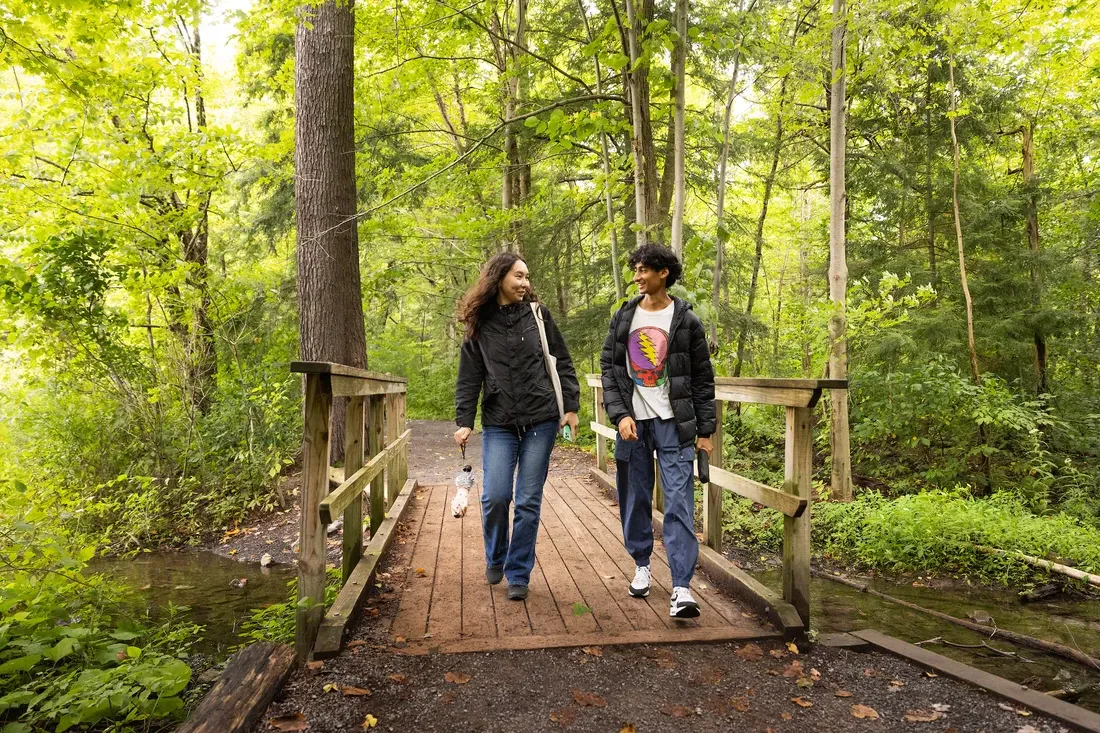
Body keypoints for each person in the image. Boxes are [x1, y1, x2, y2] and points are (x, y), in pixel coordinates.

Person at [454, 252, 581, 601]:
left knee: (527, 500)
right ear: (499, 279)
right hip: (499, 421)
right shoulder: (480, 324)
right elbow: (469, 378)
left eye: (527, 277)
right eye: (518, 276)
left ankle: (518, 572)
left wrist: (570, 406)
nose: (525, 283)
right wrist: (464, 421)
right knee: (495, 496)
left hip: (541, 418)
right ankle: (495, 555)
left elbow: (563, 361)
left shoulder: (538, 316)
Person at [600, 244, 716, 618]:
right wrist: (619, 415)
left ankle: (681, 588)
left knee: (679, 504)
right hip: (633, 424)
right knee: (635, 498)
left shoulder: (687, 321)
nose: (636, 276)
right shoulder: (624, 317)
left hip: (674, 424)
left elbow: (702, 379)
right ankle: (641, 564)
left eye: (643, 270)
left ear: (663, 273)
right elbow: (609, 368)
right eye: (635, 269)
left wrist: (705, 430)